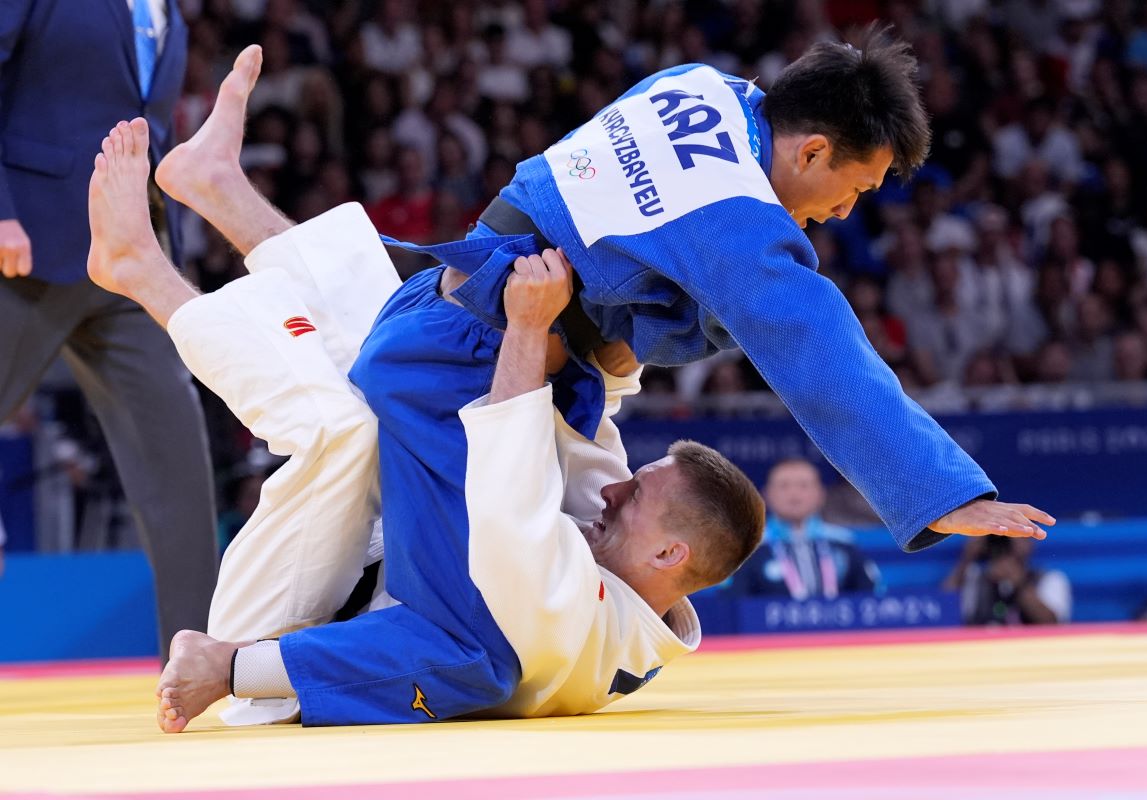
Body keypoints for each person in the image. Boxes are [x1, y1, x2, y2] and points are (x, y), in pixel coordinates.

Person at [81, 54, 765, 731]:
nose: (616, 491)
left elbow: (507, 501)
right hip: (376, 556)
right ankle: (218, 186)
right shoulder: (625, 562)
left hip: (288, 628)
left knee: (345, 430)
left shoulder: (569, 625)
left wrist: (231, 668)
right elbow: (584, 432)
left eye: (636, 495)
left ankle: (140, 270)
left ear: (670, 554)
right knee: (407, 348)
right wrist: (623, 333)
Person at [378, 25, 1055, 554]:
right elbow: (822, 352)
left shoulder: (699, 84)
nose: (846, 212)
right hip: (478, 361)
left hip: (473, 307)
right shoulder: (734, 215)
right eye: (855, 189)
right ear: (812, 151)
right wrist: (942, 496)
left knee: (580, 576)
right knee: (467, 611)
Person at [0, 0, 217, 657]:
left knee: (177, 461)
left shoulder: (168, 8)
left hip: (129, 258)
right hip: (28, 245)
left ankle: (200, 660)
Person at [734, 459, 880, 600]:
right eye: (784, 486)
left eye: (803, 485)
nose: (794, 494)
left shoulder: (843, 542)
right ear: (766, 494)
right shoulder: (750, 547)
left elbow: (871, 596)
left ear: (821, 494)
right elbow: (733, 605)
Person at [942, 536, 1072, 625]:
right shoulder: (974, 577)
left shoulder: (1050, 578)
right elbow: (943, 608)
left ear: (1030, 543)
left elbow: (1053, 624)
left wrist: (1019, 583)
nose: (1006, 540)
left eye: (1015, 534)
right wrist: (968, 557)